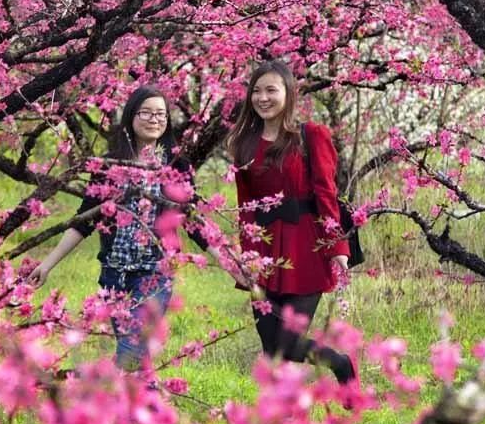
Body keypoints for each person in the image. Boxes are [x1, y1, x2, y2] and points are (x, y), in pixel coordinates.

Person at [27, 85, 208, 370]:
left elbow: (195, 221)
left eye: (160, 114)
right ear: (131, 117)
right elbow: (85, 220)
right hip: (114, 275)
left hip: (156, 273)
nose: (154, 119)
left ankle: (93, 388)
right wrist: (47, 264)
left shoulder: (177, 166)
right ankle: (139, 409)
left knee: (131, 351)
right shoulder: (109, 165)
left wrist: (233, 264)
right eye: (146, 112)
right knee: (137, 357)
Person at [225, 60, 356, 385]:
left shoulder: (311, 135)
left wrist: (337, 246)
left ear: (288, 93)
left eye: (271, 90)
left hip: (307, 249)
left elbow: (326, 193)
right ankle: (280, 417)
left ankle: (341, 365)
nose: (263, 98)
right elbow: (246, 208)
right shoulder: (244, 144)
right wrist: (247, 257)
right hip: (264, 252)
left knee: (287, 342)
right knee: (272, 349)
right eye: (256, 91)